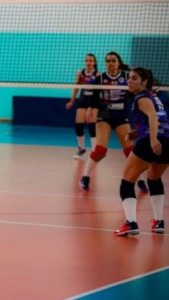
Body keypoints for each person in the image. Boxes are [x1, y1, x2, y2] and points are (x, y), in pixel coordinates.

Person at [79, 52, 148, 192]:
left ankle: (140, 181)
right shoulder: (101, 77)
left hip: (122, 115)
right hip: (105, 113)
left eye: (113, 61)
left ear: (118, 62)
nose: (110, 63)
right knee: (100, 150)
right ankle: (85, 177)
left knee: (131, 151)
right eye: (108, 61)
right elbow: (94, 95)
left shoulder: (126, 77)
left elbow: (137, 90)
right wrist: (90, 109)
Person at [114, 68, 168, 236]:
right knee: (154, 178)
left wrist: (151, 140)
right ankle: (158, 221)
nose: (129, 81)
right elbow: (159, 119)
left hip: (151, 142)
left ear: (144, 81)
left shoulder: (142, 96)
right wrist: (136, 132)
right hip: (167, 141)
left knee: (127, 182)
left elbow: (152, 116)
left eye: (134, 78)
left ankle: (131, 223)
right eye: (129, 78)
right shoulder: (154, 97)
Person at [65, 54, 100, 159]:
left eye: (91, 60)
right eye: (87, 60)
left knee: (91, 125)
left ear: (94, 62)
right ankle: (81, 149)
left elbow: (99, 91)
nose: (89, 62)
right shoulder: (80, 73)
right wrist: (72, 101)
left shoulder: (98, 74)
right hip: (83, 100)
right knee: (78, 125)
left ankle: (94, 151)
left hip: (93, 101)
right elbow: (76, 87)